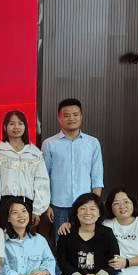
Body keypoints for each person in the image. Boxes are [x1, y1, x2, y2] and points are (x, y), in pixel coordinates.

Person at [42, 98, 104, 238]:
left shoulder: (92, 143)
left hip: (85, 205)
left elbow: (97, 177)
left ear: (81, 116)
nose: (71, 118)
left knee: (85, 241)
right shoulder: (49, 144)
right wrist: (46, 206)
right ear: (59, 118)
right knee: (61, 243)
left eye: (75, 115)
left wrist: (95, 205)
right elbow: (44, 177)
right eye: (66, 115)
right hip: (58, 206)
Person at [0, 110, 49, 228]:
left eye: (20, 123)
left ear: (25, 127)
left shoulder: (34, 153)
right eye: (12, 124)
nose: (16, 127)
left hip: (27, 205)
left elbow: (41, 181)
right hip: (4, 203)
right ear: (5, 127)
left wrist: (37, 209)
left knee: (25, 237)